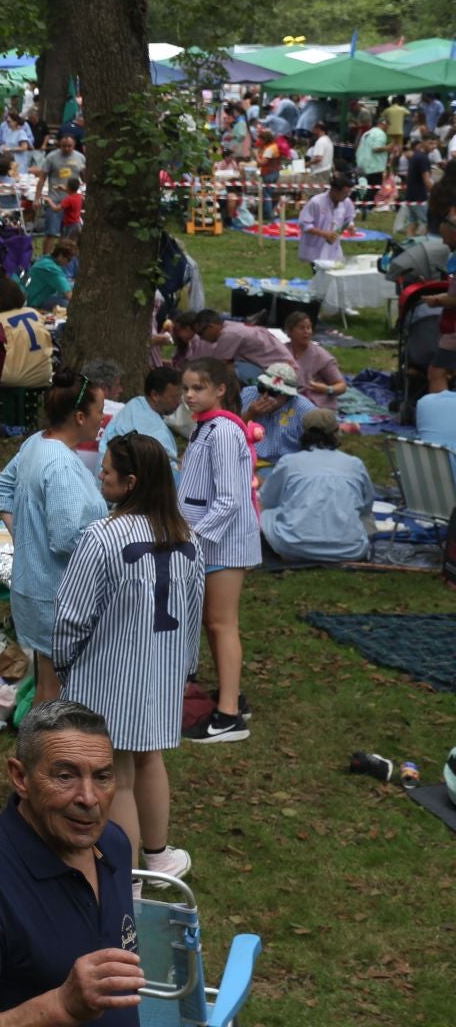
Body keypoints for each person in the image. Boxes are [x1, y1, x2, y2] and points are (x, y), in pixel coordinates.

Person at [0, 700, 145, 1027]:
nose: (89, 798)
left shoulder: (113, 844)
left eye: (102, 777)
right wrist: (61, 1006)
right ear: (20, 777)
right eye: (65, 776)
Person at [51, 434, 204, 885]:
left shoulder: (102, 536)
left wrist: (64, 666)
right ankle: (157, 857)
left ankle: (128, 874)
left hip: (109, 675)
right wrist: (185, 669)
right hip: (162, 671)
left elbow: (71, 616)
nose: (100, 473)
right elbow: (194, 612)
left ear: (130, 482)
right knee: (150, 758)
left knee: (117, 775)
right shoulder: (188, 538)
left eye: (107, 469)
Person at [0, 371, 108, 702]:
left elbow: (0, 489)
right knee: (59, 692)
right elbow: (68, 538)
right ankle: (47, 752)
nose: (103, 418)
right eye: (99, 410)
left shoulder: (36, 442)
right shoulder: (61, 467)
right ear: (81, 416)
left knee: (48, 684)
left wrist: (25, 537)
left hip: (35, 589)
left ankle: (36, 751)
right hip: (57, 597)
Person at [177, 358, 260, 744]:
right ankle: (231, 696)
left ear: (220, 390)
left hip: (223, 543)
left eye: (197, 388)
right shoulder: (204, 428)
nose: (189, 396)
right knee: (214, 622)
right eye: (186, 389)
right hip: (210, 542)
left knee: (222, 622)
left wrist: (194, 537)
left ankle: (229, 716)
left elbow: (229, 499)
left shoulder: (224, 431)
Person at [259, 410, 374, 563]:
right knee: (366, 520)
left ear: (304, 432)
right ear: (336, 432)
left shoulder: (289, 462)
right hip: (350, 550)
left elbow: (267, 501)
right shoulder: (354, 464)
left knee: (265, 515)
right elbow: (366, 507)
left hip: (293, 547)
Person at [182, 308, 296, 381]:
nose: (201, 338)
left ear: (211, 327)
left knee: (226, 371)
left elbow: (217, 366)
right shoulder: (230, 326)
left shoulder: (228, 335)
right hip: (278, 366)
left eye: (201, 333)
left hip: (282, 373)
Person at [101, 364, 182, 461]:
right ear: (155, 395)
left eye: (179, 396)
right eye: (174, 397)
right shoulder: (157, 433)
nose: (179, 402)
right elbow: (170, 471)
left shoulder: (136, 404)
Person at [283, 311, 346, 406]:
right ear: (290, 331)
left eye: (308, 328)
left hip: (314, 403)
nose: (306, 332)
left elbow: (341, 386)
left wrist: (327, 389)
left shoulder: (321, 356)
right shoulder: (282, 351)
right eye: (301, 328)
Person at [298, 174, 357, 269]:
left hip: (334, 247)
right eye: (344, 193)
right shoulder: (316, 202)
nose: (346, 196)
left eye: (348, 194)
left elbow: (349, 218)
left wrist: (350, 226)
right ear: (334, 191)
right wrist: (324, 234)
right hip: (316, 246)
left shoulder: (346, 202)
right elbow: (304, 224)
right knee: (319, 275)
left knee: (335, 274)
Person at [23, 238, 76, 311]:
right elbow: (68, 294)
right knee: (68, 304)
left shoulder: (46, 259)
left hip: (30, 294)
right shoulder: (52, 270)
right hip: (34, 301)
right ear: (60, 256)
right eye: (68, 260)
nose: (69, 263)